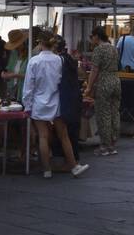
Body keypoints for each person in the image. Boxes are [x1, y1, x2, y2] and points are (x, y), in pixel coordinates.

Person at [22, 29, 88, 179]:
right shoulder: (59, 60)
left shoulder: (34, 61)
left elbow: (28, 86)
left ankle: (46, 169)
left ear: (39, 43)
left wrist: (27, 105)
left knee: (43, 136)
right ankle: (74, 165)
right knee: (63, 135)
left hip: (39, 102)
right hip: (56, 101)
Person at [85, 26, 122, 156]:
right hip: (116, 80)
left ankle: (104, 146)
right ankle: (113, 143)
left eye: (92, 36)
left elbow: (95, 70)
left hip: (104, 81)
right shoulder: (114, 48)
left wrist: (89, 87)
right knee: (114, 112)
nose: (91, 39)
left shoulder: (99, 49)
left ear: (96, 36)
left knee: (103, 114)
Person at [53, 35, 83, 159]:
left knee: (64, 132)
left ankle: (66, 160)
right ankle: (72, 160)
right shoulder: (69, 59)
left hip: (65, 98)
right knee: (71, 131)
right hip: (73, 97)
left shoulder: (59, 61)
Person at [116, 21, 134, 129]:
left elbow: (117, 52)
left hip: (121, 72)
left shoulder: (122, 39)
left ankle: (121, 119)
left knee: (121, 97)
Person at [2, 28, 30, 99]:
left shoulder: (30, 55)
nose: (15, 47)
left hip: (24, 91)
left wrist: (14, 75)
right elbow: (10, 69)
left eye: (17, 45)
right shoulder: (14, 54)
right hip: (13, 91)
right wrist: (5, 75)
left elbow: (30, 76)